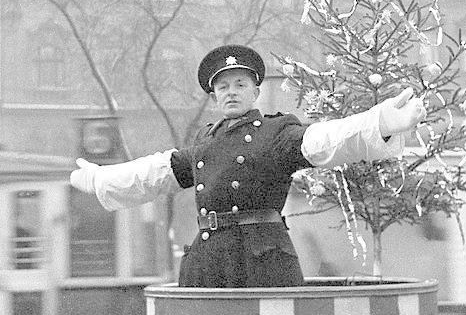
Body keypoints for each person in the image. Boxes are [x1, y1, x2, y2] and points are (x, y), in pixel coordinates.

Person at [70, 44, 425, 287]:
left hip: (261, 260)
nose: (231, 92)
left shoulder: (277, 132)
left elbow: (324, 140)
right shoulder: (204, 143)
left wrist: (379, 122)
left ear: (256, 91)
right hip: (210, 260)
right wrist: (104, 179)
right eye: (222, 86)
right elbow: (158, 172)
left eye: (240, 84)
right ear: (213, 96)